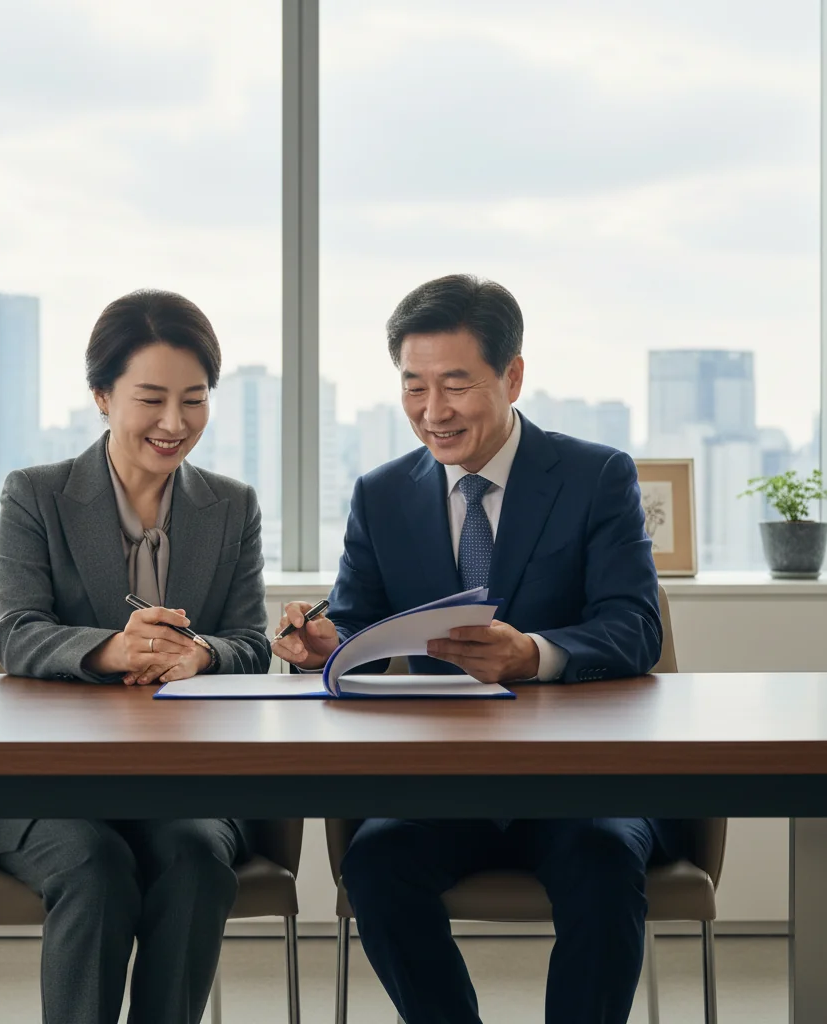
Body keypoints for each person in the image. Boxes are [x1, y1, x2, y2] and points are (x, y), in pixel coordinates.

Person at [273, 274, 691, 1024]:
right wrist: (322, 645)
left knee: (602, 862)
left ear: (513, 375)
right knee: (375, 865)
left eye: (456, 385)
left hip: (578, 783)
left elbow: (635, 627)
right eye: (413, 387)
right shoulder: (381, 494)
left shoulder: (597, 476)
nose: (432, 412)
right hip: (444, 785)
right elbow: (359, 623)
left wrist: (532, 653)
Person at [0, 289, 271, 1024]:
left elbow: (252, 644)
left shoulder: (231, 507)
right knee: (94, 867)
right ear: (102, 396)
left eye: (194, 400)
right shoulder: (36, 496)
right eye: (152, 399)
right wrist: (111, 648)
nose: (175, 424)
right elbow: (16, 632)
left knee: (198, 857)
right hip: (51, 784)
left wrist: (200, 655)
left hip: (184, 785)